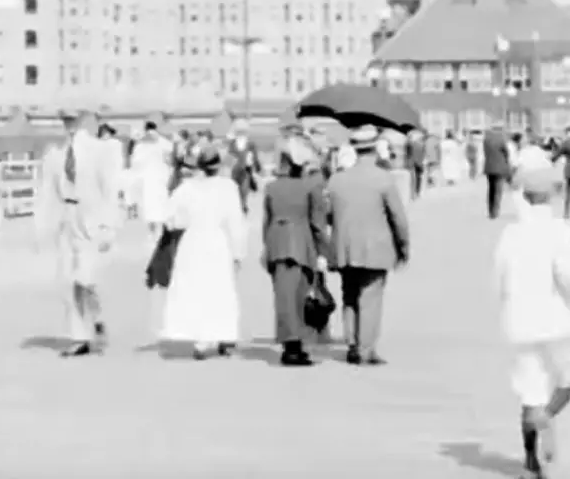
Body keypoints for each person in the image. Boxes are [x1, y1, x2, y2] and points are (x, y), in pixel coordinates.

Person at [493, 167, 570, 478]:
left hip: (518, 321)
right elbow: (568, 277)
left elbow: (499, 278)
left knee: (530, 390)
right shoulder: (560, 230)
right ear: (552, 196)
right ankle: (547, 417)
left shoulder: (510, 232)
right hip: (555, 318)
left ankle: (532, 462)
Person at [35, 107, 119, 357]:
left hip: (91, 216)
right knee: (69, 280)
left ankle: (96, 316)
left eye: (72, 119)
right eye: (64, 120)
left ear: (82, 120)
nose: (68, 124)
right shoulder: (56, 153)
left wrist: (108, 225)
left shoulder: (97, 151)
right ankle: (79, 336)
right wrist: (43, 226)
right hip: (68, 216)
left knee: (87, 278)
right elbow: (47, 191)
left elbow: (110, 188)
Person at [326, 125, 410, 365]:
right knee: (370, 298)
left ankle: (352, 343)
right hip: (376, 248)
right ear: (374, 149)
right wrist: (403, 247)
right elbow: (398, 218)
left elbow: (329, 215)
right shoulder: (383, 179)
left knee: (349, 295)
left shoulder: (336, 180)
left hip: (344, 247)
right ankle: (366, 348)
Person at [162, 144, 247, 360]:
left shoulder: (186, 188)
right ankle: (223, 336)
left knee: (196, 289)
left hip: (193, 241)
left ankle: (200, 340)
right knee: (220, 289)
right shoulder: (228, 187)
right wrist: (238, 252)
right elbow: (236, 222)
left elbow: (171, 219)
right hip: (218, 241)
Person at [261, 137, 331, 366]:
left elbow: (266, 220)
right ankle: (296, 345)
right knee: (300, 296)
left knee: (282, 297)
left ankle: (288, 344)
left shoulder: (271, 188)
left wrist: (267, 247)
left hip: (277, 243)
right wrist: (323, 252)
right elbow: (317, 223)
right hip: (302, 244)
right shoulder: (308, 188)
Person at [130, 120, 175, 242]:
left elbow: (135, 164)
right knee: (161, 204)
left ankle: (152, 233)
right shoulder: (164, 142)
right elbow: (170, 160)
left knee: (149, 207)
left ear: (145, 129)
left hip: (147, 180)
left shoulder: (140, 145)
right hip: (160, 178)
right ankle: (161, 232)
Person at [226, 119, 262, 214]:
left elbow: (254, 156)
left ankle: (243, 204)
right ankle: (242, 204)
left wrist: (257, 165)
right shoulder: (236, 143)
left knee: (243, 187)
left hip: (243, 169)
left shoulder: (239, 143)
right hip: (238, 169)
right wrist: (257, 166)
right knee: (239, 188)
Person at [482, 124, 510, 219]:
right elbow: (506, 153)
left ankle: (490, 210)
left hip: (489, 167)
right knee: (498, 190)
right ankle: (495, 211)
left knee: (491, 190)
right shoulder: (501, 139)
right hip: (500, 168)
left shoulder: (486, 140)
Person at [404, 130, 426, 200]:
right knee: (418, 178)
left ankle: (412, 194)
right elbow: (423, 154)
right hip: (418, 163)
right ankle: (417, 192)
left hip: (411, 162)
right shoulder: (421, 144)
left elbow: (407, 154)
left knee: (412, 179)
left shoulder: (408, 144)